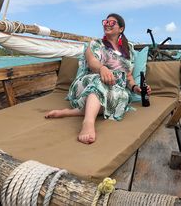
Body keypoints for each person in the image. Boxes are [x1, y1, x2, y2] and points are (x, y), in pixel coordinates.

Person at [45, 13, 151, 144]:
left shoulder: (128, 48)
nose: (107, 24)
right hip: (88, 84)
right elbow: (92, 61)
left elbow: (128, 76)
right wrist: (102, 69)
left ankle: (73, 112)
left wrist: (136, 88)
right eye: (105, 22)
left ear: (121, 29)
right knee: (99, 82)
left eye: (112, 23)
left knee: (122, 97)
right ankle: (88, 123)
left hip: (115, 87)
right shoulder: (96, 43)